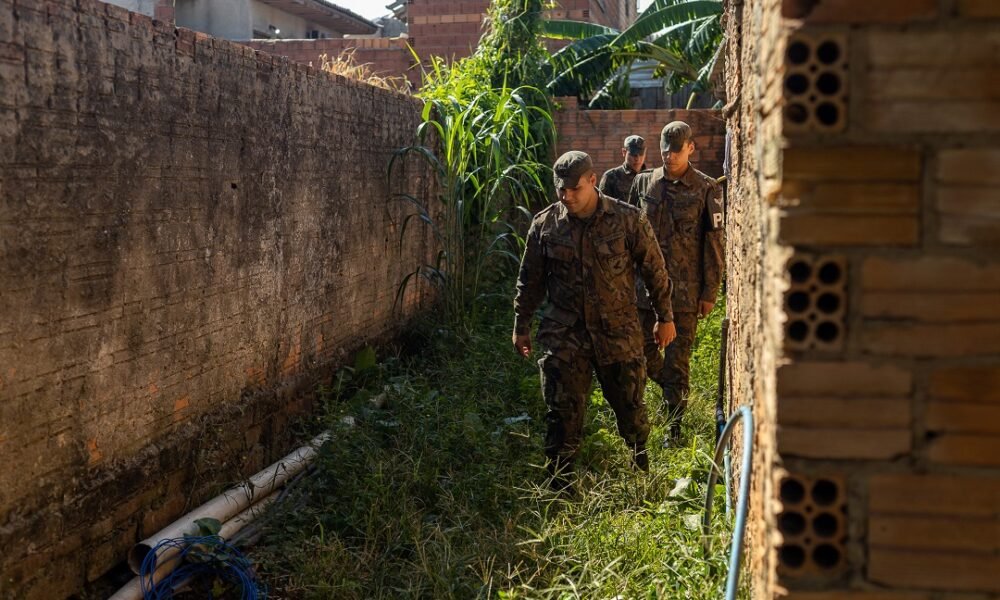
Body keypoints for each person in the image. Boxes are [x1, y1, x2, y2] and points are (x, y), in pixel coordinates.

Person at [512, 151, 676, 491]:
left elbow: (655, 270)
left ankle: (640, 466)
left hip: (617, 331)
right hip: (565, 334)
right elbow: (529, 281)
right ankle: (560, 484)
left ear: (591, 180)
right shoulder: (545, 225)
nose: (566, 196)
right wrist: (521, 324)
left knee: (630, 407)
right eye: (561, 189)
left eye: (574, 188)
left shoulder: (628, 220)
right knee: (561, 411)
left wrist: (665, 317)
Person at [627, 121, 724, 447]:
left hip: (684, 292)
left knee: (678, 359)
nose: (669, 157)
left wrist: (710, 291)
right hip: (644, 291)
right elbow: (630, 237)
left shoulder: (706, 189)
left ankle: (674, 428)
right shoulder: (643, 184)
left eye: (676, 151)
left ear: (690, 149)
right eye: (665, 150)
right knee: (642, 353)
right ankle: (670, 391)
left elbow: (714, 245)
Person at [598, 135, 647, 202]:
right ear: (624, 152)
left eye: (641, 154)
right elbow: (602, 207)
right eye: (633, 154)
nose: (637, 159)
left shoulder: (650, 177)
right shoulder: (611, 177)